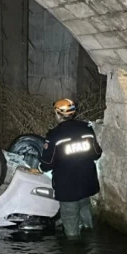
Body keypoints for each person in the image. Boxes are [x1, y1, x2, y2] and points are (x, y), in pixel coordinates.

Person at [39, 98, 102, 239]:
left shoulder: (54, 135)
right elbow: (97, 154)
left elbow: (46, 164)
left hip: (68, 188)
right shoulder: (86, 128)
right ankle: (92, 241)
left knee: (70, 221)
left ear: (57, 113)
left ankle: (74, 253)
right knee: (85, 212)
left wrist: (39, 167)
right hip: (87, 183)